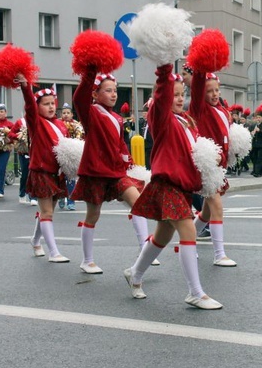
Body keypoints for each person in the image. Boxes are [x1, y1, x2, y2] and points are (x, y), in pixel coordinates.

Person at [124, 65, 222, 309]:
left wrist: (200, 70)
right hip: (167, 184)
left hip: (182, 187)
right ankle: (195, 292)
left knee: (162, 235)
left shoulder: (186, 120)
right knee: (188, 231)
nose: (179, 98)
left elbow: (197, 96)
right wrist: (164, 65)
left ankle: (135, 274)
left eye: (182, 94)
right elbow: (161, 95)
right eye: (174, 94)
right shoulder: (161, 118)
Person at [70, 71, 152, 274]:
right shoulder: (90, 112)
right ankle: (87, 260)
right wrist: (91, 68)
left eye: (115, 90)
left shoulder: (117, 118)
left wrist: (129, 162)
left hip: (116, 172)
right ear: (95, 94)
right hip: (96, 172)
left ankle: (145, 249)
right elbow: (79, 97)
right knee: (93, 215)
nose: (114, 94)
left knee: (138, 203)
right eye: (108, 91)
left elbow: (120, 145)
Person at [16, 77, 71, 263]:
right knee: (47, 212)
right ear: (37, 107)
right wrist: (25, 86)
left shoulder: (61, 125)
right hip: (41, 172)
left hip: (57, 173)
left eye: (52, 104)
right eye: (46, 104)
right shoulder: (36, 123)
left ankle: (34, 240)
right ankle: (53, 252)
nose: (51, 107)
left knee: (47, 211)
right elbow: (29, 106)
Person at [187, 65, 236, 267]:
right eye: (209, 91)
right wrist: (200, 68)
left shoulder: (221, 109)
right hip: (206, 165)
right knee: (216, 205)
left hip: (219, 165)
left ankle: (187, 242)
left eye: (216, 90)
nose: (214, 94)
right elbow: (197, 87)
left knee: (206, 213)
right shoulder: (199, 108)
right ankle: (219, 254)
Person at [58, 103, 84, 211]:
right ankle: (61, 196)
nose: (66, 115)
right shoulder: (58, 124)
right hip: (60, 153)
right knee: (60, 178)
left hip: (72, 155)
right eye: (64, 113)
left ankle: (71, 200)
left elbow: (81, 137)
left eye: (68, 113)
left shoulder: (77, 125)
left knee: (71, 178)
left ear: (72, 114)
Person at [8, 116, 37, 206]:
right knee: (25, 173)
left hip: (36, 152)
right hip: (24, 151)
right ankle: (22, 193)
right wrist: (18, 136)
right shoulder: (20, 122)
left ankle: (33, 196)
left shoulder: (39, 120)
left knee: (34, 173)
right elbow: (10, 134)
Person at [250, 107, 262, 177]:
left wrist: (260, 131)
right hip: (255, 145)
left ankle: (257, 172)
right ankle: (261, 171)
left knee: (260, 159)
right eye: (257, 117)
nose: (258, 119)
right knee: (255, 158)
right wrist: (253, 133)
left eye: (259, 117)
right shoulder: (254, 126)